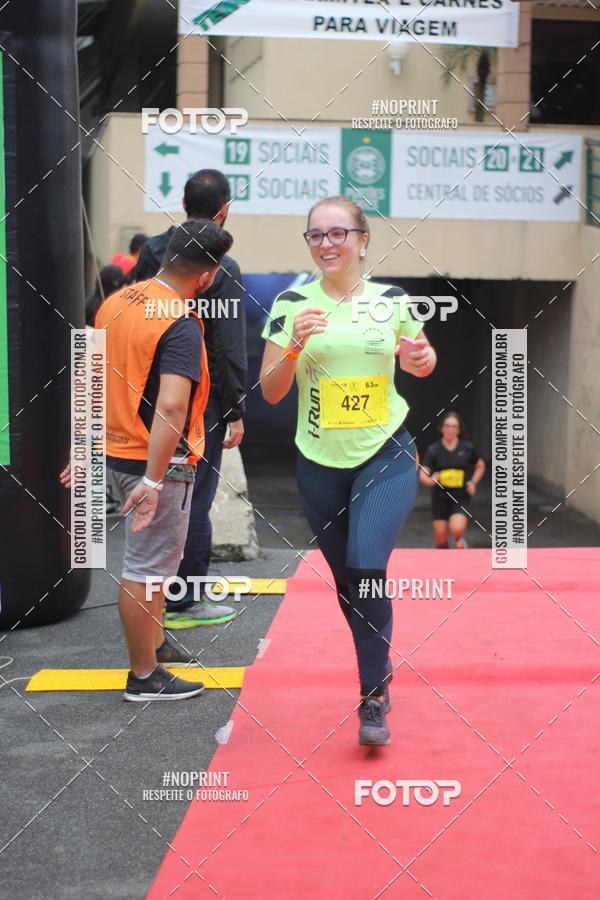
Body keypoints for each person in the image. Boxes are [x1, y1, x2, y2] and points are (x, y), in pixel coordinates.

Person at [259, 196, 436, 746]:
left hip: (385, 453)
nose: (327, 244)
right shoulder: (291, 303)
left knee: (366, 569)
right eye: (316, 235)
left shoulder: (392, 301)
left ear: (363, 239)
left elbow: (421, 359)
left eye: (338, 233)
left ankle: (372, 695)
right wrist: (294, 345)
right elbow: (270, 391)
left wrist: (420, 360)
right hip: (319, 464)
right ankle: (377, 662)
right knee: (347, 584)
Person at [61, 220, 233, 701]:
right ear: (207, 276)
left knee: (154, 565)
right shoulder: (180, 322)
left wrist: (83, 444)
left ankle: (155, 646)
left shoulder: (116, 301)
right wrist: (155, 481)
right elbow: (172, 407)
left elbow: (88, 374)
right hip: (155, 462)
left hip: (117, 453)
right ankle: (143, 676)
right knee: (145, 568)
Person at [134, 169, 247, 628]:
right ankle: (185, 601)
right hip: (202, 398)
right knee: (195, 499)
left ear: (183, 204)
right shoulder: (224, 267)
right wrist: (235, 409)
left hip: (152, 392)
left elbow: (135, 315)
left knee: (158, 489)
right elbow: (228, 347)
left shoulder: (152, 251)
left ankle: (153, 592)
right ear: (224, 211)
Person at [420, 411, 485, 549]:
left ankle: (460, 543)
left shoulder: (466, 448)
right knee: (441, 540)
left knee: (457, 530)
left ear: (459, 430)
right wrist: (430, 480)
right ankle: (446, 559)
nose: (450, 429)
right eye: (447, 426)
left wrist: (473, 482)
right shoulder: (434, 450)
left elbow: (480, 466)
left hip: (460, 496)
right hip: (440, 497)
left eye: (454, 426)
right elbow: (423, 473)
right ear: (442, 428)